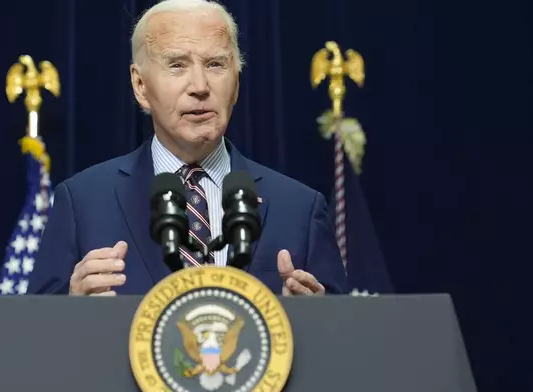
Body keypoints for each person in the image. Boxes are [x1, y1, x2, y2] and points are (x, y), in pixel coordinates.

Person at [27, 0, 347, 297]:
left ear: (236, 82)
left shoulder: (300, 210)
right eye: (177, 65)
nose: (199, 87)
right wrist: (69, 309)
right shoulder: (82, 204)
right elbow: (34, 340)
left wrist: (316, 321)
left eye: (215, 65)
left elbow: (344, 340)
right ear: (140, 86)